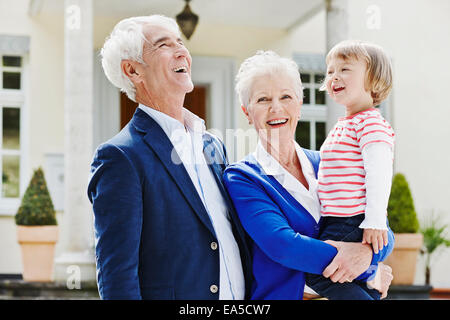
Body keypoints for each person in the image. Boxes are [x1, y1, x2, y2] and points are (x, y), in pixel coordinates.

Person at [87, 15, 252, 300]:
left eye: (180, 42)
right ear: (133, 70)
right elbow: (117, 276)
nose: (182, 52)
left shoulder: (212, 145)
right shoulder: (120, 157)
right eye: (164, 45)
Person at [222, 50, 394, 300]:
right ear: (247, 112)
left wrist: (369, 254)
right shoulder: (243, 177)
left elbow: (382, 228)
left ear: (299, 105)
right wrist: (369, 270)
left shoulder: (329, 161)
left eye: (286, 96)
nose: (276, 108)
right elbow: (284, 245)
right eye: (262, 100)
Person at [305, 40, 395, 300]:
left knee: (320, 272)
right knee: (335, 273)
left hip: (353, 220)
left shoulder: (370, 123)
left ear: (373, 78)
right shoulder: (345, 124)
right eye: (330, 71)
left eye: (345, 69)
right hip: (338, 220)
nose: (334, 76)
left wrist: (376, 221)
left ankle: (371, 277)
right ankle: (373, 279)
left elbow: (379, 173)